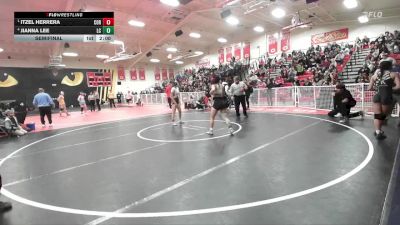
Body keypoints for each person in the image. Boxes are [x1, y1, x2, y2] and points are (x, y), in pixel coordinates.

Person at [368, 60, 400, 139]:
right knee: (383, 116)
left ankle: (378, 131)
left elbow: (369, 88)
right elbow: (398, 86)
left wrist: (379, 88)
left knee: (378, 116)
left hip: (377, 96)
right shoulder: (393, 74)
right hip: (386, 96)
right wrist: (389, 89)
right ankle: (379, 132)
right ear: (390, 67)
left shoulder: (375, 76)